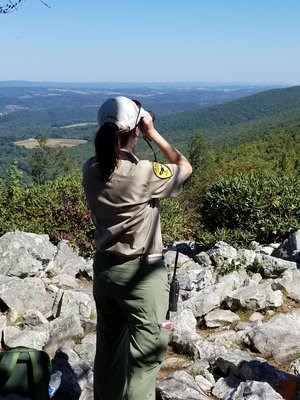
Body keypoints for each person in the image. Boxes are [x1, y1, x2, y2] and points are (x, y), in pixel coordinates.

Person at [82, 96, 192, 400]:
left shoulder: (90, 169)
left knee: (109, 351)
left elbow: (110, 159)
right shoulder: (144, 173)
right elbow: (184, 166)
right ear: (135, 132)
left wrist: (136, 132)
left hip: (105, 270)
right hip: (141, 276)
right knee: (144, 360)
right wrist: (153, 132)